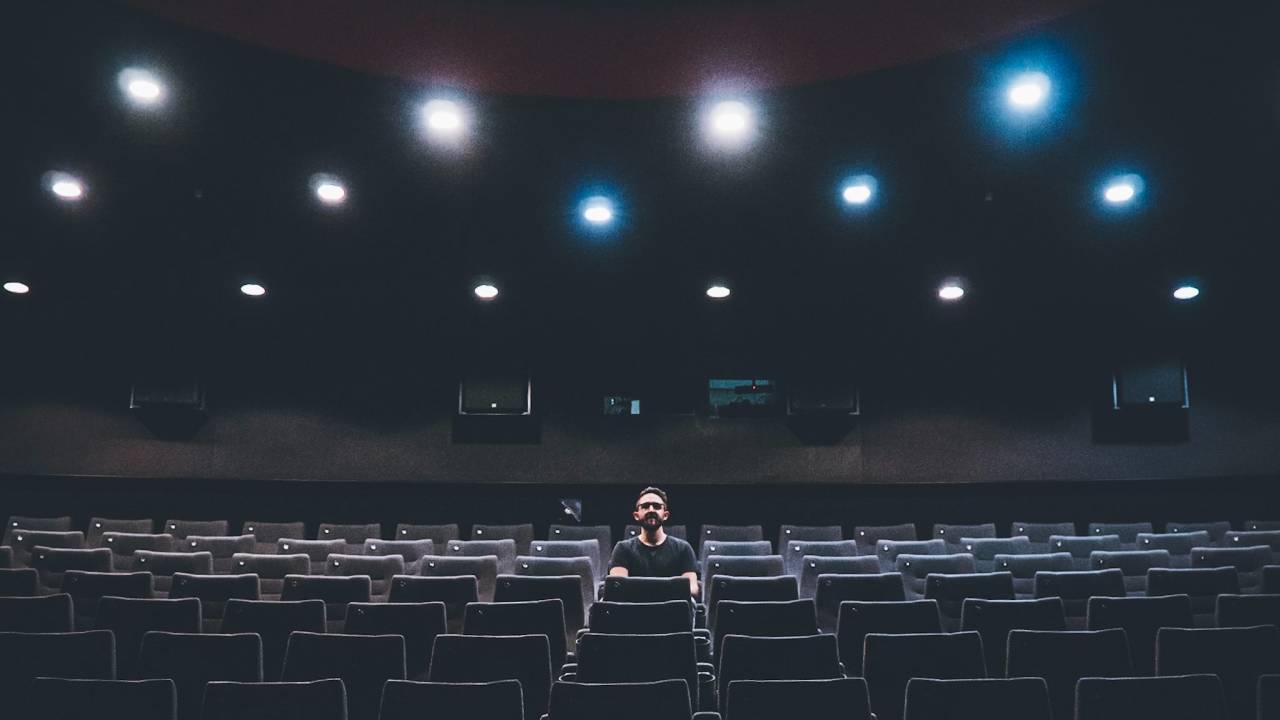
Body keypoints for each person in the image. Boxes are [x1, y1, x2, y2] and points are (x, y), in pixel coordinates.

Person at [608, 486, 699, 597]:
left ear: (665, 515)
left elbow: (692, 589)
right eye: (645, 506)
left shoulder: (683, 548)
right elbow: (617, 589)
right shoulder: (622, 549)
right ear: (636, 515)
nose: (651, 510)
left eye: (656, 506)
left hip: (672, 611)